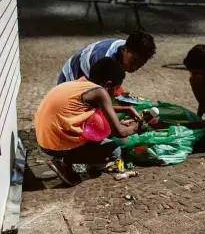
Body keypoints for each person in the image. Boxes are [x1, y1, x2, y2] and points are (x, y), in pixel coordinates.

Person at [35, 58, 140, 186]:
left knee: (103, 130)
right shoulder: (100, 92)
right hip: (56, 146)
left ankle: (71, 157)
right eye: (116, 89)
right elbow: (120, 132)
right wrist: (136, 126)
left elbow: (100, 113)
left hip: (43, 141)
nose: (115, 94)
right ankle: (64, 161)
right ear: (108, 84)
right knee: (114, 151)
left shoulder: (81, 83)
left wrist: (126, 108)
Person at [57, 30, 156, 87]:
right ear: (125, 50)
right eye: (133, 61)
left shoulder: (127, 47)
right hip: (70, 81)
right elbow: (96, 96)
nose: (135, 67)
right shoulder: (105, 60)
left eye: (141, 64)